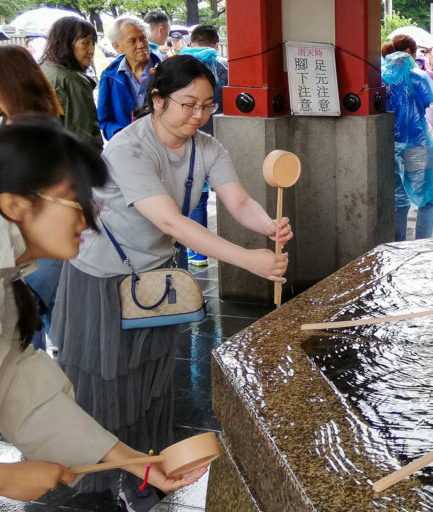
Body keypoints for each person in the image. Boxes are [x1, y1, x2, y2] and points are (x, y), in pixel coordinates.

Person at [51, 55, 291, 508]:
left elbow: (237, 201)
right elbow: (172, 222)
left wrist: (267, 226)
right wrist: (247, 260)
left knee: (152, 376)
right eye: (187, 104)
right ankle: (106, 477)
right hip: (103, 277)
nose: (197, 115)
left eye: (206, 105)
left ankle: (149, 468)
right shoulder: (128, 149)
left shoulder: (208, 146)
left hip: (154, 277)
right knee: (108, 379)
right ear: (157, 101)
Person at [0, 119, 206, 502]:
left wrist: (135, 461)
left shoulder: (0, 276)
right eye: (76, 198)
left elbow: (22, 393)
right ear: (15, 205)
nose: (91, 214)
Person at [0, 45, 64, 352]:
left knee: (26, 335)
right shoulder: (14, 122)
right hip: (21, 249)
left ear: (2, 78)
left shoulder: (32, 129)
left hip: (33, 252)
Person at [382, 35, 433, 241]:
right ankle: (422, 247)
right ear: (409, 53)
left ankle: (398, 247)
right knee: (427, 201)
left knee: (399, 201)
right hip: (418, 146)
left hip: (389, 146)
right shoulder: (419, 76)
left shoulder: (381, 77)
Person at [179, 24, 229, 266]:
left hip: (183, 139)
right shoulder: (223, 67)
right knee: (207, 190)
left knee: (190, 193)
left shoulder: (179, 65)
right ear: (215, 44)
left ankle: (194, 252)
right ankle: (200, 252)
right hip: (216, 135)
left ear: (192, 41)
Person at [41, 17, 103, 150]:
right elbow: (86, 138)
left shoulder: (44, 69)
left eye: (93, 43)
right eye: (85, 43)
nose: (91, 50)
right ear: (66, 43)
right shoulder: (73, 80)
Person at [98, 16, 162, 141]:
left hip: (162, 144)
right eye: (132, 41)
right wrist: (118, 133)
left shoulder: (165, 70)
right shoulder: (109, 76)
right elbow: (104, 119)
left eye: (143, 38)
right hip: (126, 146)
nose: (141, 45)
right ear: (117, 47)